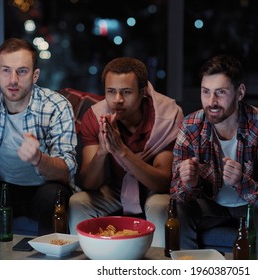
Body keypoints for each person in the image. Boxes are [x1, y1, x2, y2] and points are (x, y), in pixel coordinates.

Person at [0, 37, 77, 235]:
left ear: (35, 75)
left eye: (22, 71)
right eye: (6, 70)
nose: (13, 80)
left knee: (53, 194)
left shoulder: (56, 106)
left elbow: (66, 171)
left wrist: (38, 159)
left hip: (40, 189)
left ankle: (50, 259)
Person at [170, 54, 258, 255]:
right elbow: (177, 193)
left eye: (220, 92)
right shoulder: (190, 127)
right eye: (206, 92)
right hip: (210, 205)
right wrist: (190, 183)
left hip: (252, 208)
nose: (211, 101)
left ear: (240, 93)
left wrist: (242, 181)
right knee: (179, 211)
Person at [68, 57, 184, 247]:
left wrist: (122, 151)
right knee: (78, 202)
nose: (117, 100)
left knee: (159, 206)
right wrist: (102, 152)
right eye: (111, 92)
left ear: (143, 91)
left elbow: (163, 182)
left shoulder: (168, 116)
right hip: (116, 187)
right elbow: (89, 183)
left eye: (126, 92)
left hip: (153, 190)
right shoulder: (95, 116)